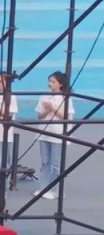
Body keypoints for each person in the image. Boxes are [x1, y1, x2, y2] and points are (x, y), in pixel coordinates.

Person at [35, 71, 70, 201]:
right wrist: (47, 109)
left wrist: (53, 107)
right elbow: (40, 115)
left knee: (55, 164)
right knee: (45, 162)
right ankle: (43, 187)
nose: (50, 84)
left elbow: (65, 116)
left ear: (60, 84)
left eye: (53, 82)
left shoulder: (65, 97)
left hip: (58, 135)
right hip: (44, 134)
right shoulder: (44, 96)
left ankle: (56, 190)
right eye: (49, 81)